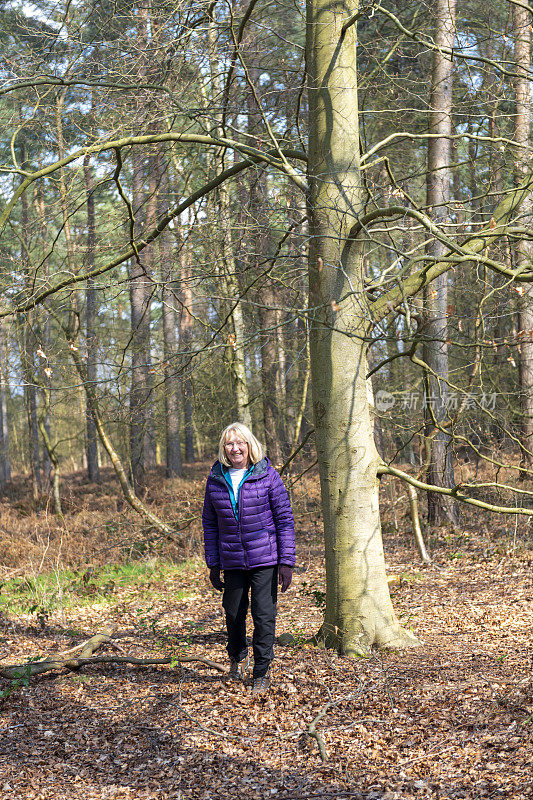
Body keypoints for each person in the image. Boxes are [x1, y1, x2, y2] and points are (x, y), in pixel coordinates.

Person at [202, 422, 295, 694]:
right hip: (231, 560)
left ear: (249, 445)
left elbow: (285, 520)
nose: (235, 448)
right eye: (230, 444)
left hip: (265, 559)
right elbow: (210, 523)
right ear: (224, 449)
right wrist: (213, 563)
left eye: (240, 442)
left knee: (264, 617)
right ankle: (238, 657)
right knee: (233, 614)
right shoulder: (215, 478)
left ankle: (262, 672)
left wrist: (286, 562)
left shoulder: (267, 476)